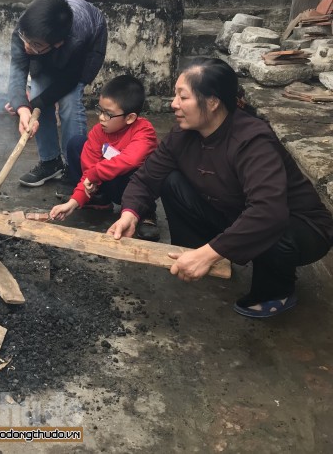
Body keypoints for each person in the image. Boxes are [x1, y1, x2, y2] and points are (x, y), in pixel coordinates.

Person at [107, 58, 333, 318]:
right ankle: (193, 251)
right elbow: (147, 178)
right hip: (233, 209)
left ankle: (277, 291)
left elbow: (268, 211)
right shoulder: (182, 135)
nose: (174, 105)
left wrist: (211, 253)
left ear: (212, 102)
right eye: (175, 96)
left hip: (300, 227)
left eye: (183, 97)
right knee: (172, 181)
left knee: (274, 228)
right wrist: (130, 214)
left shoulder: (252, 140)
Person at [7, 0, 108, 188]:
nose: (26, 46)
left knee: (69, 101)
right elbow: (18, 69)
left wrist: (34, 104)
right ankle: (51, 162)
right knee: (37, 92)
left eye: (34, 44)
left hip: (89, 43)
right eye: (25, 39)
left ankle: (74, 166)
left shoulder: (78, 38)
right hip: (48, 44)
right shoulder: (26, 27)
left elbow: (68, 81)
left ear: (57, 44)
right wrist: (22, 107)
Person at [49, 75, 160, 240]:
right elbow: (89, 170)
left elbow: (129, 160)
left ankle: (145, 212)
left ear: (130, 118)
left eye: (108, 114)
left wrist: (95, 173)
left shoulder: (144, 132)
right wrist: (73, 202)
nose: (101, 117)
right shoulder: (99, 132)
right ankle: (98, 199)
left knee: (135, 170)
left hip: (133, 188)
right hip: (110, 181)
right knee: (77, 144)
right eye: (100, 110)